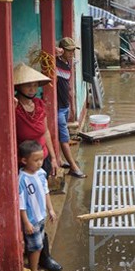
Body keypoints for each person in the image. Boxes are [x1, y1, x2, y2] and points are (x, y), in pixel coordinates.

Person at [14, 63, 63, 271]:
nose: (32, 89)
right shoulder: (14, 108)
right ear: (18, 87)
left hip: (40, 158)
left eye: (35, 85)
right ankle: (28, 250)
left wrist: (53, 157)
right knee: (26, 206)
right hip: (23, 161)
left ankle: (44, 256)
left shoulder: (40, 106)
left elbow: (46, 134)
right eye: (28, 85)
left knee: (41, 205)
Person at [19, 140, 58, 271]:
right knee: (35, 247)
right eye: (36, 160)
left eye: (41, 159)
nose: (40, 163)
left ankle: (34, 267)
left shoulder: (41, 173)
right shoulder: (22, 179)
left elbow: (46, 192)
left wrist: (51, 209)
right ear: (24, 160)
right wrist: (26, 222)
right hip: (32, 219)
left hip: (41, 216)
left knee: (39, 244)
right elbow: (21, 204)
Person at [56, 37, 86, 178]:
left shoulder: (68, 63)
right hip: (57, 107)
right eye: (69, 50)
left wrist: (72, 104)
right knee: (64, 137)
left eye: (73, 50)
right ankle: (73, 167)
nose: (72, 53)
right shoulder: (53, 62)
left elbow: (67, 87)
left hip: (65, 105)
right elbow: (45, 55)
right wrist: (54, 52)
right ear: (61, 50)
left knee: (60, 135)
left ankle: (60, 159)